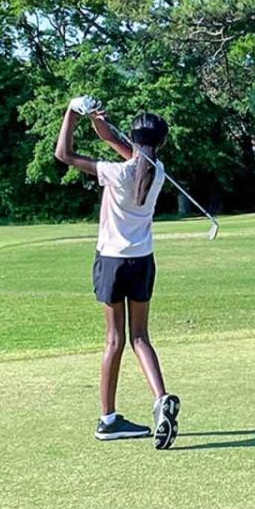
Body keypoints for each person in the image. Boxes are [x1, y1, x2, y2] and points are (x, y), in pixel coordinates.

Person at [55, 96, 181, 449]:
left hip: (111, 261)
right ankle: (160, 399)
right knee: (140, 337)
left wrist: (71, 112)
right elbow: (115, 140)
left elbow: (63, 155)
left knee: (114, 340)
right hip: (142, 260)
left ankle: (108, 420)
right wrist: (99, 120)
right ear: (161, 142)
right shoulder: (157, 171)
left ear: (135, 140)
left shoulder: (117, 172)